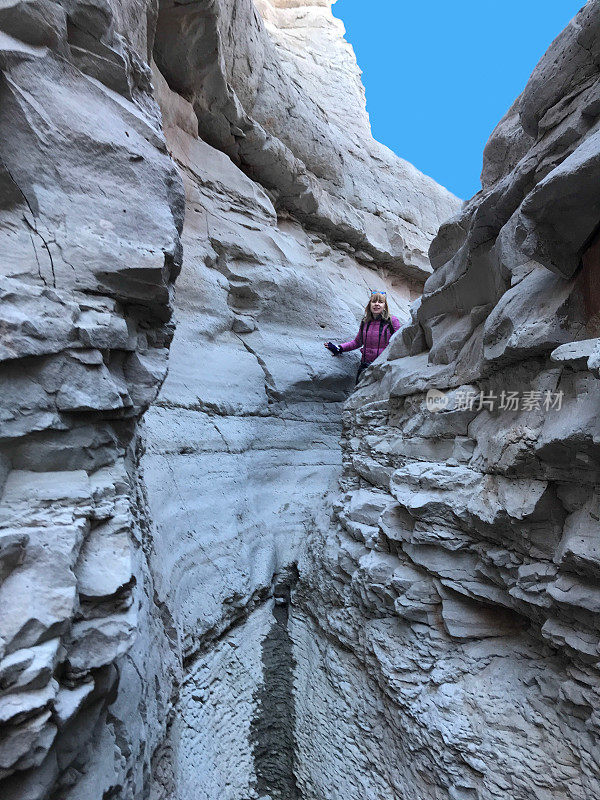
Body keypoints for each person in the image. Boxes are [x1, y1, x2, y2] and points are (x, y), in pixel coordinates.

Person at [324, 290, 401, 384]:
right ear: (369, 305)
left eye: (380, 302)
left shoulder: (392, 321)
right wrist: (339, 348)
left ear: (385, 305)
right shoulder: (365, 322)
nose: (376, 304)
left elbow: (399, 342)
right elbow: (357, 342)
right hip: (365, 366)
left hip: (383, 367)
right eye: (374, 301)